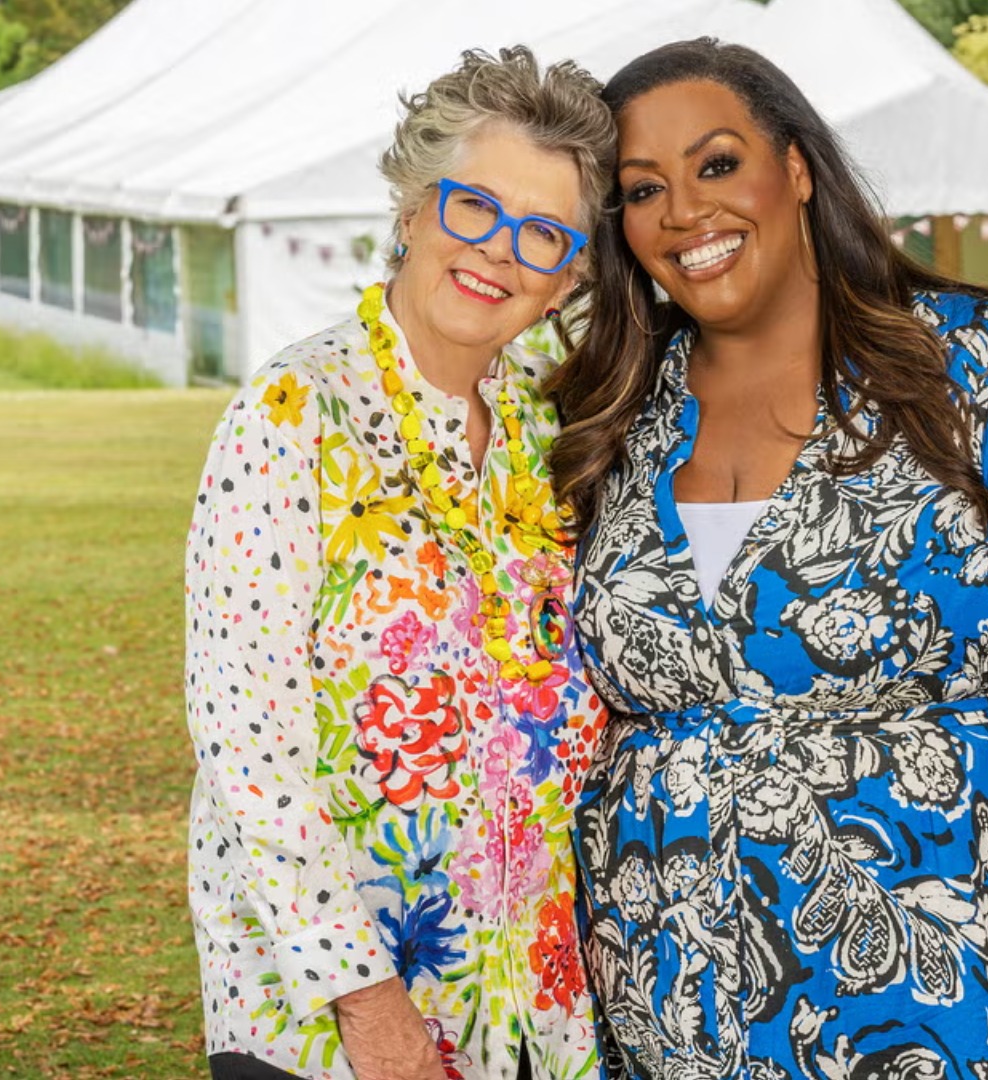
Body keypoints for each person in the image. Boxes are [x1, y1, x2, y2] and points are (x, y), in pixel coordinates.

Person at [548, 39, 988, 1080]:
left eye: (717, 164)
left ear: (799, 168)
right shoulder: (611, 418)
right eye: (644, 191)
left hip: (957, 958)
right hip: (673, 972)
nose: (684, 212)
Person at [184, 46, 614, 1080]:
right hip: (335, 1032)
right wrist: (370, 1010)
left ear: (569, 276)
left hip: (535, 1021)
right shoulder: (295, 413)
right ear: (415, 208)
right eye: (476, 208)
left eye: (544, 234)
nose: (500, 252)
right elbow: (249, 743)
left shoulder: (552, 436)